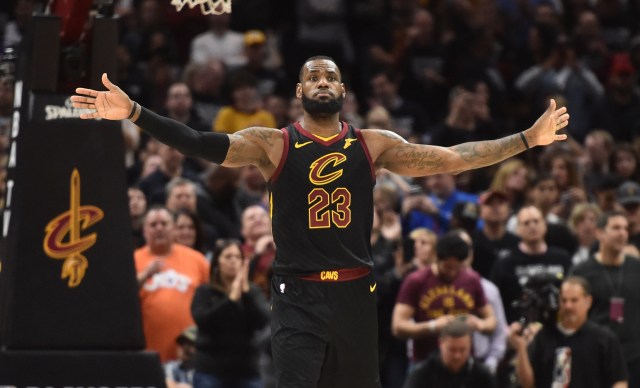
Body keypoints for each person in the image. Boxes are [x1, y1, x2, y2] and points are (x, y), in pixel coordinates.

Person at [71, 55, 569, 388]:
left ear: (344, 90)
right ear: (299, 90)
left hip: (356, 292)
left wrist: (527, 139)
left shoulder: (373, 143)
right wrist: (135, 112)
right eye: (314, 77)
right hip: (297, 292)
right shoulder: (271, 143)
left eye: (331, 77)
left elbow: (455, 158)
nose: (323, 83)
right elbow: (200, 142)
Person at [392, 232, 496, 365]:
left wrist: (478, 324)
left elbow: (491, 321)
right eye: (447, 267)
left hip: (463, 362)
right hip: (425, 363)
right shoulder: (416, 281)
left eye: (457, 268)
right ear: (436, 258)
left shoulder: (472, 279)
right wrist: (432, 326)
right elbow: (398, 326)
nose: (452, 273)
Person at [507, 276, 628, 388]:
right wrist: (521, 348)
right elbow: (527, 384)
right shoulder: (544, 336)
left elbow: (619, 381)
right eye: (564, 300)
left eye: (574, 300)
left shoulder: (604, 338)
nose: (568, 306)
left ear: (588, 301)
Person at [571, 211, 640, 388]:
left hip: (634, 358)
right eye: (616, 228)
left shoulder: (636, 267)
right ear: (599, 233)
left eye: (625, 228)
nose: (622, 233)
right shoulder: (582, 272)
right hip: (595, 357)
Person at [134, 206, 210, 363]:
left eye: (164, 223)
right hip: (148, 353)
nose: (159, 228)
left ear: (174, 229)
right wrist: (145, 275)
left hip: (191, 353)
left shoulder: (197, 260)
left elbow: (212, 301)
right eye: (153, 225)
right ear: (144, 231)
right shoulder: (133, 260)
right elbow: (120, 298)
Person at [190, 239, 269, 388]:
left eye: (237, 257)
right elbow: (203, 320)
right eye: (227, 257)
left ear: (243, 262)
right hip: (211, 370)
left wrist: (245, 294)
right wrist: (230, 300)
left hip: (247, 370)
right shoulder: (205, 291)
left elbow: (263, 320)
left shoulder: (252, 292)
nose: (233, 261)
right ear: (217, 263)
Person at [402, 319, 497, 388]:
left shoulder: (482, 375)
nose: (457, 356)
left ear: (470, 346)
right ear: (440, 344)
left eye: (462, 350)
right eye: (452, 350)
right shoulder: (421, 374)